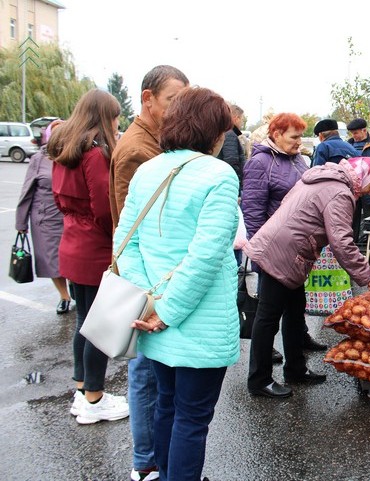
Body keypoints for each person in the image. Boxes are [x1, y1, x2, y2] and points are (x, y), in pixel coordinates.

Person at [116, 87, 239, 481]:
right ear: (213, 131)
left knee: (166, 406)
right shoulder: (219, 174)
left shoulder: (146, 170)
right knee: (192, 418)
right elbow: (206, 256)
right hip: (196, 322)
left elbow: (125, 246)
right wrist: (166, 312)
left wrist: (148, 302)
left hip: (150, 316)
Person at [244, 157, 370, 398]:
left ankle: (295, 369)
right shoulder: (340, 193)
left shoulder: (324, 178)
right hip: (283, 253)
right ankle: (259, 380)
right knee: (268, 317)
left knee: (295, 311)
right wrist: (368, 277)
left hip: (287, 248)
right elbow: (341, 241)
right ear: (363, 177)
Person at [109, 64, 189, 481]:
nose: (178, 110)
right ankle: (146, 464)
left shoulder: (154, 143)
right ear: (148, 99)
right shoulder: (139, 151)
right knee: (143, 375)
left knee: (152, 375)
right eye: (173, 101)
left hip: (153, 279)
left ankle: (153, 459)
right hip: (144, 282)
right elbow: (131, 227)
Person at [47, 89, 130, 423]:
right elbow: (103, 208)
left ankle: (83, 391)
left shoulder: (63, 150)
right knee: (99, 326)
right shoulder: (94, 154)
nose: (117, 122)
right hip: (95, 247)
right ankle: (94, 399)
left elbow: (61, 201)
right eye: (114, 116)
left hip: (71, 242)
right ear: (103, 117)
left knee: (85, 322)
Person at [241, 112, 327, 365]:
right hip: (273, 251)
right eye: (294, 136)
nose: (300, 141)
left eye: (301, 135)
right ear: (276, 135)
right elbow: (253, 212)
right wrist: (260, 255)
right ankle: (260, 375)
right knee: (268, 315)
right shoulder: (260, 163)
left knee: (295, 307)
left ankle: (296, 361)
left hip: (296, 250)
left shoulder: (298, 159)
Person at [16, 119, 71, 315]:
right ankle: (64, 296)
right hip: (45, 218)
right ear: (48, 136)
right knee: (52, 260)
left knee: (72, 257)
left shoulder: (73, 155)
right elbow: (27, 190)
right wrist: (20, 221)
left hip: (69, 215)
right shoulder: (38, 159)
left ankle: (76, 287)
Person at [216, 103, 246, 191]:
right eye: (242, 120)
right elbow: (231, 161)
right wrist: (237, 184)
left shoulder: (228, 132)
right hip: (232, 184)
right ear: (236, 118)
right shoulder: (230, 134)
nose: (242, 123)